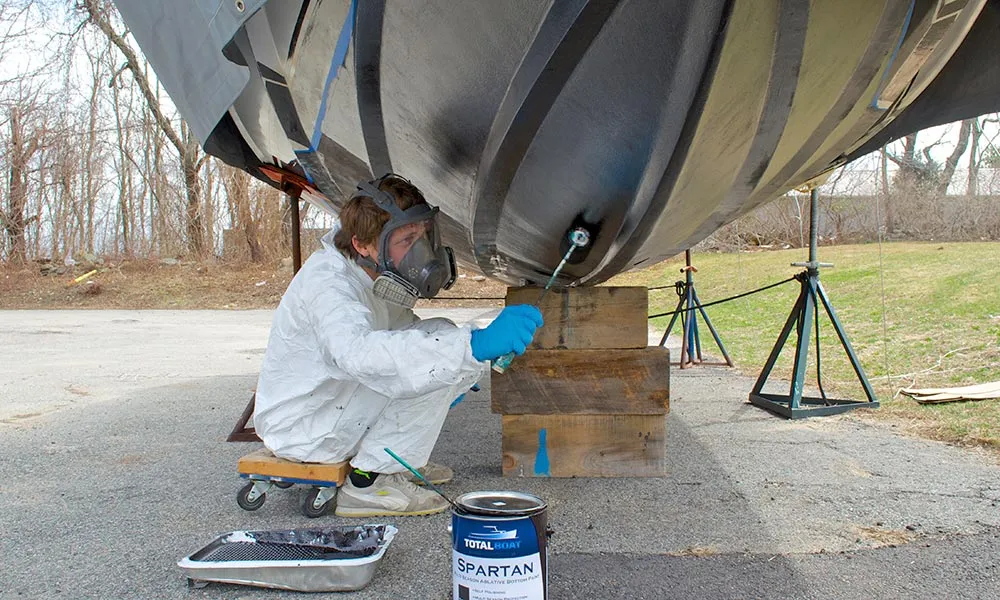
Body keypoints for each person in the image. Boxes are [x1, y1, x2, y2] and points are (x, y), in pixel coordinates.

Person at [253, 173, 543, 517]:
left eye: (422, 235)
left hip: (332, 401)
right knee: (438, 355)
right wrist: (471, 348)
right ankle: (370, 482)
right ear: (363, 244)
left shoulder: (372, 270)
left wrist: (465, 367)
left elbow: (407, 336)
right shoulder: (328, 284)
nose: (419, 249)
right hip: (305, 428)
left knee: (440, 338)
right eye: (407, 239)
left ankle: (393, 457)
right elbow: (362, 356)